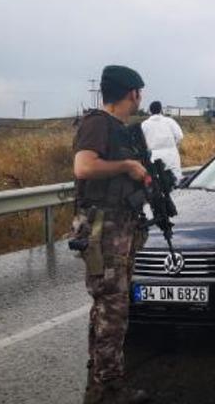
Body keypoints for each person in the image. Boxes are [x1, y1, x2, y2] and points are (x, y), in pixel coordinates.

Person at [71, 65, 150, 404]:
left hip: (119, 223)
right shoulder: (97, 123)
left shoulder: (119, 129)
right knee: (113, 304)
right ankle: (110, 388)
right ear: (132, 92)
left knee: (108, 302)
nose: (140, 98)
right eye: (139, 92)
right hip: (104, 227)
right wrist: (127, 167)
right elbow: (84, 166)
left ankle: (100, 371)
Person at [140, 101, 184, 182]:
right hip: (171, 155)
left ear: (150, 111)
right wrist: (175, 146)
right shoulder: (170, 121)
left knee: (157, 181)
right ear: (161, 110)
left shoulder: (144, 125)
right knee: (175, 179)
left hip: (153, 156)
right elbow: (180, 136)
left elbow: (141, 142)